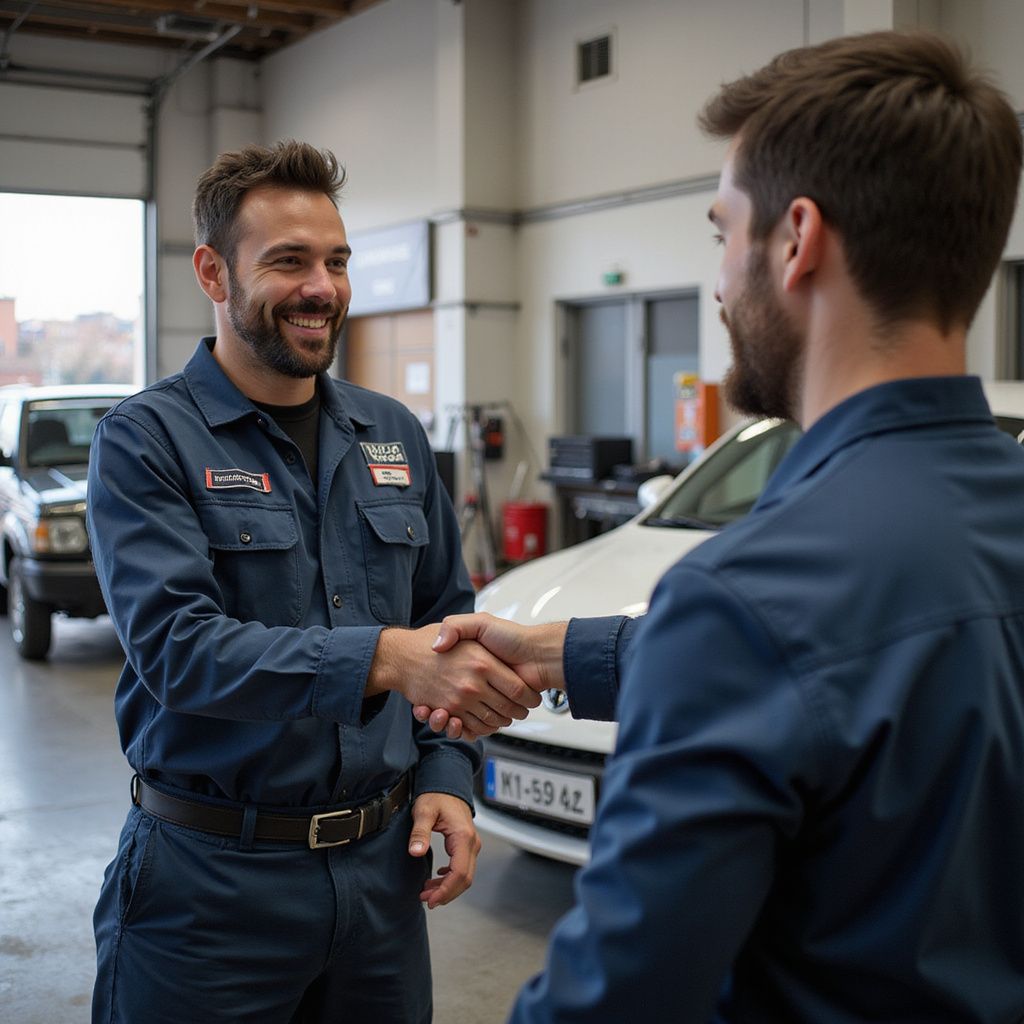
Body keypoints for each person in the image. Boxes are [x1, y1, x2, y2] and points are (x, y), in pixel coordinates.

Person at [425, 31, 1024, 1022]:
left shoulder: (745, 593)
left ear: (795, 240)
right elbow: (853, 660)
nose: (716, 283)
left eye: (719, 232)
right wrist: (552, 649)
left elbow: (616, 997)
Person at [87, 140, 539, 1024]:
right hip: (211, 888)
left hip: (382, 882)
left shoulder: (391, 432)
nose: (322, 287)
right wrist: (387, 660)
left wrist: (448, 772)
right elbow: (178, 651)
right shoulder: (146, 442)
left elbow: (446, 619)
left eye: (335, 260)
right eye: (288, 261)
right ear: (213, 274)